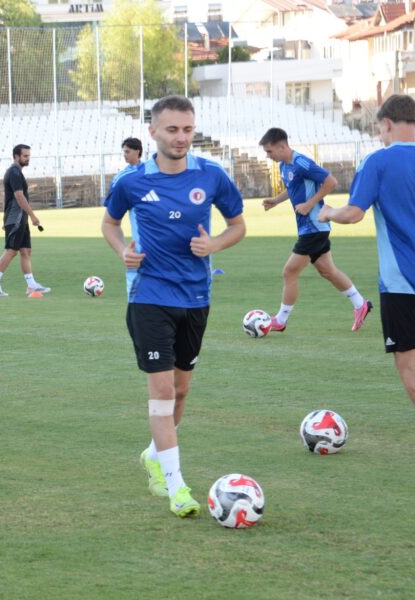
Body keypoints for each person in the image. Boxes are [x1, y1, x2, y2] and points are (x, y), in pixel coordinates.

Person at [101, 95, 246, 517]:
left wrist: (214, 244)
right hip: (148, 296)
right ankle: (177, 486)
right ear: (153, 132)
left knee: (181, 390)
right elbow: (110, 222)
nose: (181, 137)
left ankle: (154, 454)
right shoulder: (131, 181)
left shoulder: (211, 175)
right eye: (172, 129)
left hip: (196, 297)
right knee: (163, 390)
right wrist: (122, 251)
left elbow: (238, 225)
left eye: (187, 129)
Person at [318, 94, 415, 462]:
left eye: (379, 128)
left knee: (407, 366)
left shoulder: (377, 161)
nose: (379, 134)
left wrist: (328, 213)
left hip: (402, 280)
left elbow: (354, 213)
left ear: (387, 124)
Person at [259, 127, 371, 332]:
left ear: (282, 146)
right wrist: (276, 200)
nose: (268, 156)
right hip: (309, 227)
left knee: (289, 271)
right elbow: (293, 187)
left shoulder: (301, 162)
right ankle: (360, 304)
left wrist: (310, 204)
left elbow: (330, 182)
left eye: (269, 151)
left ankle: (281, 320)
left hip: (314, 226)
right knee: (328, 271)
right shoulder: (284, 165)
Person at [0, 144, 50, 296]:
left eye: (28, 156)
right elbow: (19, 196)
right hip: (17, 218)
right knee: (11, 250)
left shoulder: (16, 172)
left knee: (26, 251)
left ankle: (31, 285)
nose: (27, 159)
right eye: (25, 156)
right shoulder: (14, 172)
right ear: (16, 156)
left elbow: (6, 198)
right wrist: (32, 215)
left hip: (19, 218)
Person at [119, 137, 144, 296]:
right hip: (138, 243)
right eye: (124, 152)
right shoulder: (123, 177)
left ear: (138, 151)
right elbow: (112, 219)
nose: (125, 155)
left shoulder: (151, 172)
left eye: (127, 152)